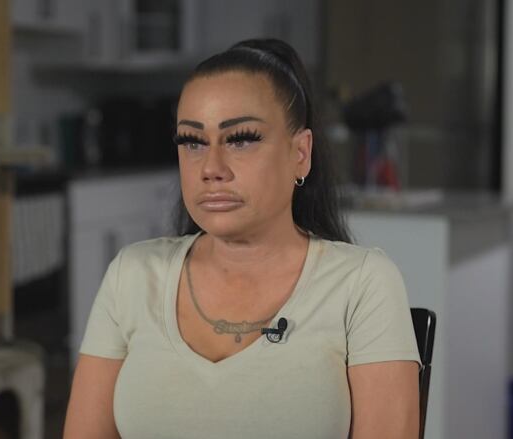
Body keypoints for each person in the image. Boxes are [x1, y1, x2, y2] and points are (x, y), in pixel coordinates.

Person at [64, 38, 420, 439]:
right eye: (192, 142)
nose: (211, 168)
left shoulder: (362, 283)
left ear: (300, 153)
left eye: (241, 138)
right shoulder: (132, 275)